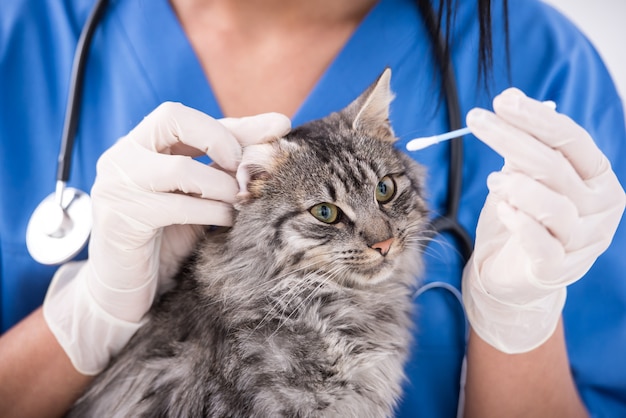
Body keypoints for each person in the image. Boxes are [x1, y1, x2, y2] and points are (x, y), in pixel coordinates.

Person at [0, 0, 624, 416]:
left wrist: (518, 323)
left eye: (385, 195)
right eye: (329, 214)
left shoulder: (542, 58)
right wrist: (88, 317)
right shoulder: (25, 32)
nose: (379, 237)